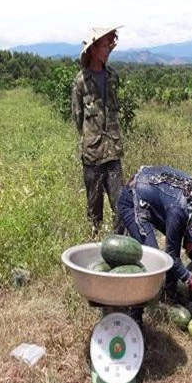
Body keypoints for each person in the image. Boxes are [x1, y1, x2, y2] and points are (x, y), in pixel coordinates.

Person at [117, 166, 192, 324]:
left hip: (153, 196)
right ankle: (135, 316)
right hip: (133, 199)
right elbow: (170, 256)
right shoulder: (178, 210)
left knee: (170, 248)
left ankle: (170, 294)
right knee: (151, 260)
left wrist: (191, 251)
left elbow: (185, 230)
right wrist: (191, 280)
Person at [71, 26, 125, 238]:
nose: (108, 49)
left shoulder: (112, 77)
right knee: (94, 210)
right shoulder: (80, 81)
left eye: (110, 44)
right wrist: (91, 138)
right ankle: (94, 246)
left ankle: (119, 246)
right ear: (93, 49)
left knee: (121, 205)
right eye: (104, 45)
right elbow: (78, 118)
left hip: (113, 152)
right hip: (92, 155)